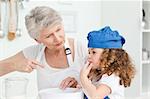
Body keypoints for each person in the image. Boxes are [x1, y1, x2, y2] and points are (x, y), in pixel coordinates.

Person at [0, 6, 87, 91]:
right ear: (37, 40)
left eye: (58, 30)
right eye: (49, 36)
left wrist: (81, 83)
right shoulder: (34, 52)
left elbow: (99, 81)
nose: (57, 38)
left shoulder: (81, 48)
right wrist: (14, 65)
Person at [80, 26, 135, 99]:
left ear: (108, 56)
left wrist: (83, 77)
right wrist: (79, 82)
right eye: (89, 52)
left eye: (93, 52)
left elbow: (95, 96)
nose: (89, 56)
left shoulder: (113, 76)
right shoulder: (96, 73)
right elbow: (88, 88)